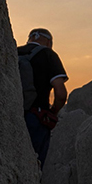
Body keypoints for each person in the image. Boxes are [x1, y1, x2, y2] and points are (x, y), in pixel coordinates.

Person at [17, 28, 68, 165]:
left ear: (30, 38)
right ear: (49, 42)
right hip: (37, 118)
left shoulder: (13, 52)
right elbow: (61, 93)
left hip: (11, 116)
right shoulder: (48, 54)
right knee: (34, 165)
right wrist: (54, 112)